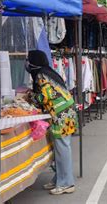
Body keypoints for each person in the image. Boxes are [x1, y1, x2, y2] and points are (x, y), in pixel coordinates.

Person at [26, 50, 77, 195]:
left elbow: (45, 97)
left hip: (61, 115)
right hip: (64, 112)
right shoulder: (48, 72)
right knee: (60, 148)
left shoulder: (41, 75)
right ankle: (59, 179)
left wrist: (31, 97)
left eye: (29, 60)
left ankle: (67, 183)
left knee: (62, 148)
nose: (27, 64)